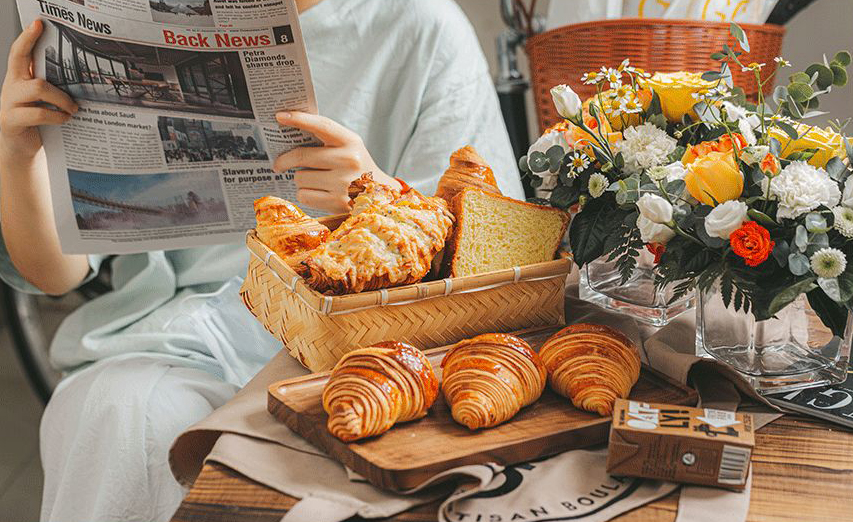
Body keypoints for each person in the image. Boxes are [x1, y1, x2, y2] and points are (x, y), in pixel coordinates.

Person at [0, 1, 524, 521]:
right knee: (118, 412)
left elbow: (493, 257)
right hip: (176, 341)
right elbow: (54, 275)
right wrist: (17, 155)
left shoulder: (421, 27)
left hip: (363, 347)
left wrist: (378, 191)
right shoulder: (133, 16)